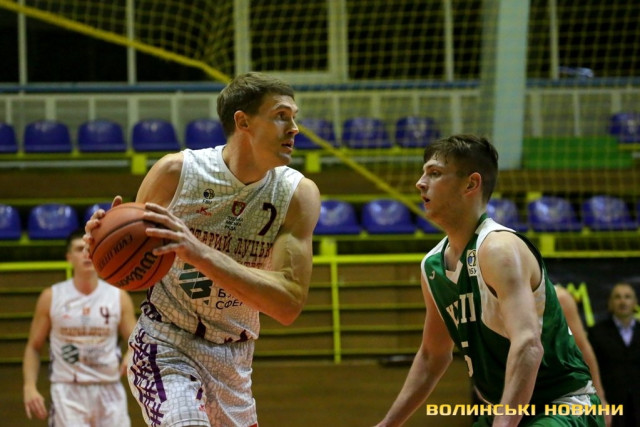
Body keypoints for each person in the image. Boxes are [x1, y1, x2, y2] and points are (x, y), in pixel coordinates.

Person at [85, 72, 321, 426]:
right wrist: (101, 246)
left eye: (294, 117)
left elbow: (288, 305)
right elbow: (130, 267)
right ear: (243, 121)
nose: (294, 128)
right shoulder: (175, 173)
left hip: (235, 361)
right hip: (166, 343)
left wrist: (199, 253)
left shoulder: (297, 196)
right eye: (281, 116)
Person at [376, 134, 604, 427]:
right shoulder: (432, 266)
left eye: (434, 173)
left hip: (562, 406)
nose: (420, 183)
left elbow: (528, 345)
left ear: (471, 184)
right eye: (423, 173)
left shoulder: (498, 248)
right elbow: (433, 356)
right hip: (504, 410)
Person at [22, 229, 137, 426]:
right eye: (79, 249)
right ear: (69, 258)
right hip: (67, 390)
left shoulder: (118, 296)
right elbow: (33, 347)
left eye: (91, 249)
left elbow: (136, 343)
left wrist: (131, 355)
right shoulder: (51, 297)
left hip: (109, 388)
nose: (86, 254)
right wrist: (29, 386)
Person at [555, 285, 611, 427]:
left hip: (558, 391)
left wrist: (600, 396)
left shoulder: (559, 297)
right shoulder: (500, 296)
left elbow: (583, 348)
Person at [588, 283, 640, 427]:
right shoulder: (596, 333)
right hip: (610, 404)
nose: (623, 301)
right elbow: (589, 368)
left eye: (627, 297)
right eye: (617, 297)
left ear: (635, 302)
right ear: (610, 303)